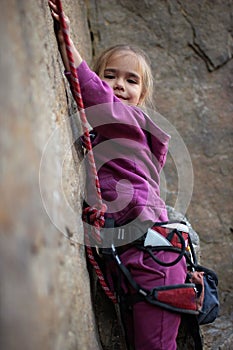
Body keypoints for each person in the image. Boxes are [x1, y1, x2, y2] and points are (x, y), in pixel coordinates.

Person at [48, 1, 187, 349]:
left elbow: (100, 100)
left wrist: (72, 53)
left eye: (131, 80)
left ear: (142, 96)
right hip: (139, 255)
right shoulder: (109, 134)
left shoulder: (129, 120)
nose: (119, 85)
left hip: (153, 259)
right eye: (110, 75)